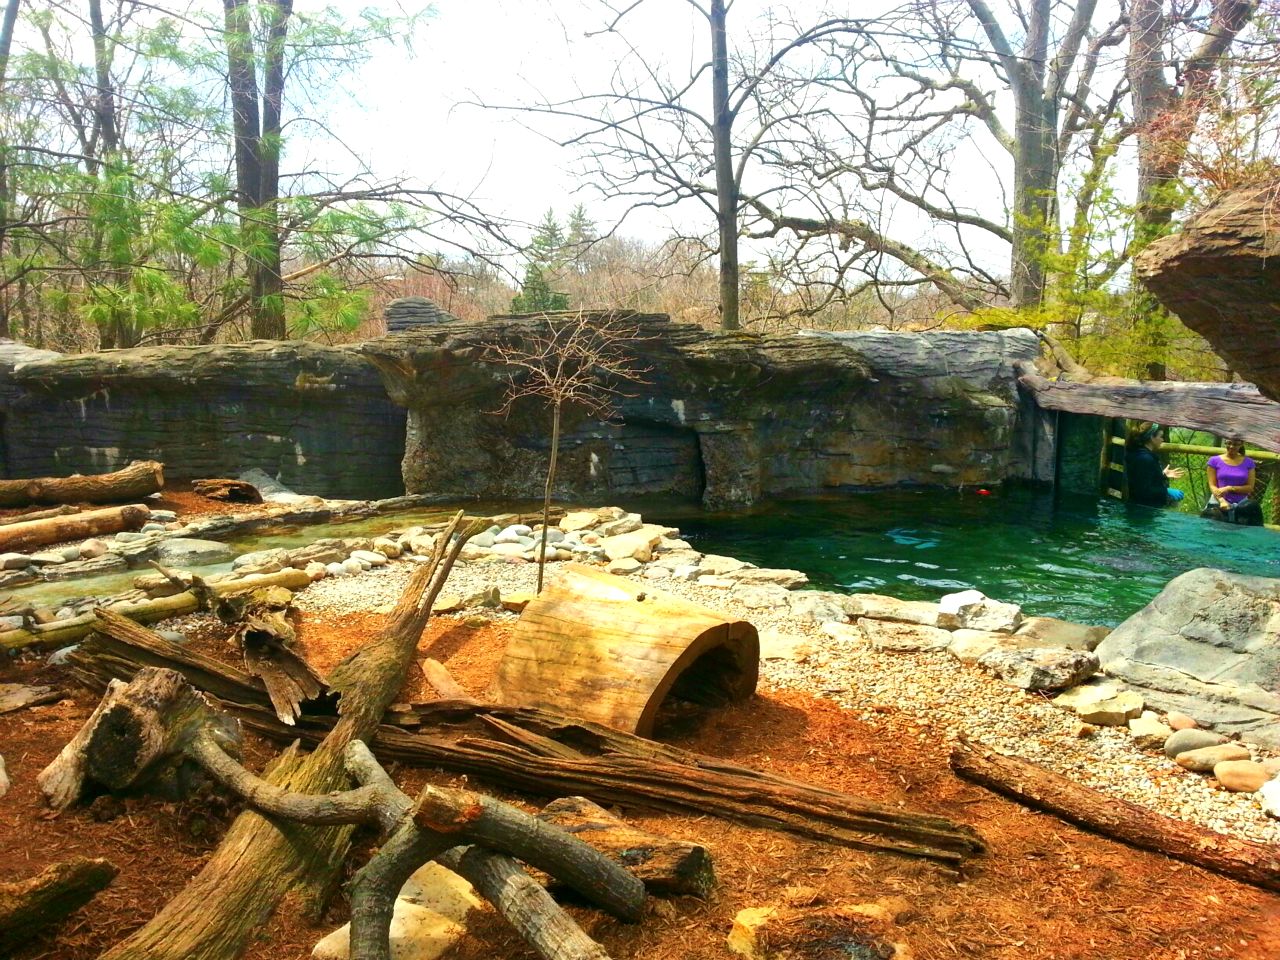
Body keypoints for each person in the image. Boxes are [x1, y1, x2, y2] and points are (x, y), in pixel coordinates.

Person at [1203, 437, 1263, 525]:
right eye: (1228, 443)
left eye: (1235, 444)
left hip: (1241, 504)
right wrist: (1222, 501)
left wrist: (1229, 488)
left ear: (1241, 444)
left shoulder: (1249, 463)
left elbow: (1249, 487)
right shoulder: (1214, 461)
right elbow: (1212, 485)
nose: (1231, 446)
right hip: (1218, 502)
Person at [1125, 421, 1185, 508]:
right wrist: (1166, 491)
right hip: (1144, 509)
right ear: (1152, 438)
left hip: (1139, 506)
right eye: (1160, 436)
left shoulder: (1138, 454)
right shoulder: (1145, 459)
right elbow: (1143, 490)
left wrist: (1162, 475)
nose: (1162, 439)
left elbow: (1144, 479)